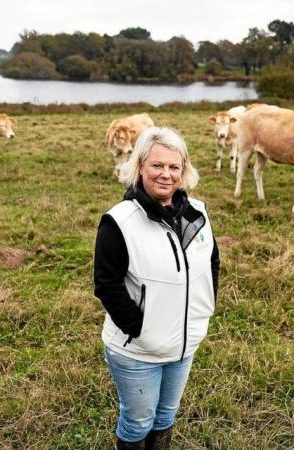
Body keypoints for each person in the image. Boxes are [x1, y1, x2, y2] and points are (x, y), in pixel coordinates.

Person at [94, 127, 220, 449]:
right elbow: (106, 284)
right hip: (137, 351)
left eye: (173, 167)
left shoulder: (199, 214)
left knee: (165, 417)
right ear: (140, 167)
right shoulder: (119, 221)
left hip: (184, 344)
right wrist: (139, 327)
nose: (166, 174)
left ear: (183, 170)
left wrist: (204, 309)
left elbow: (211, 263)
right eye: (157, 166)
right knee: (138, 422)